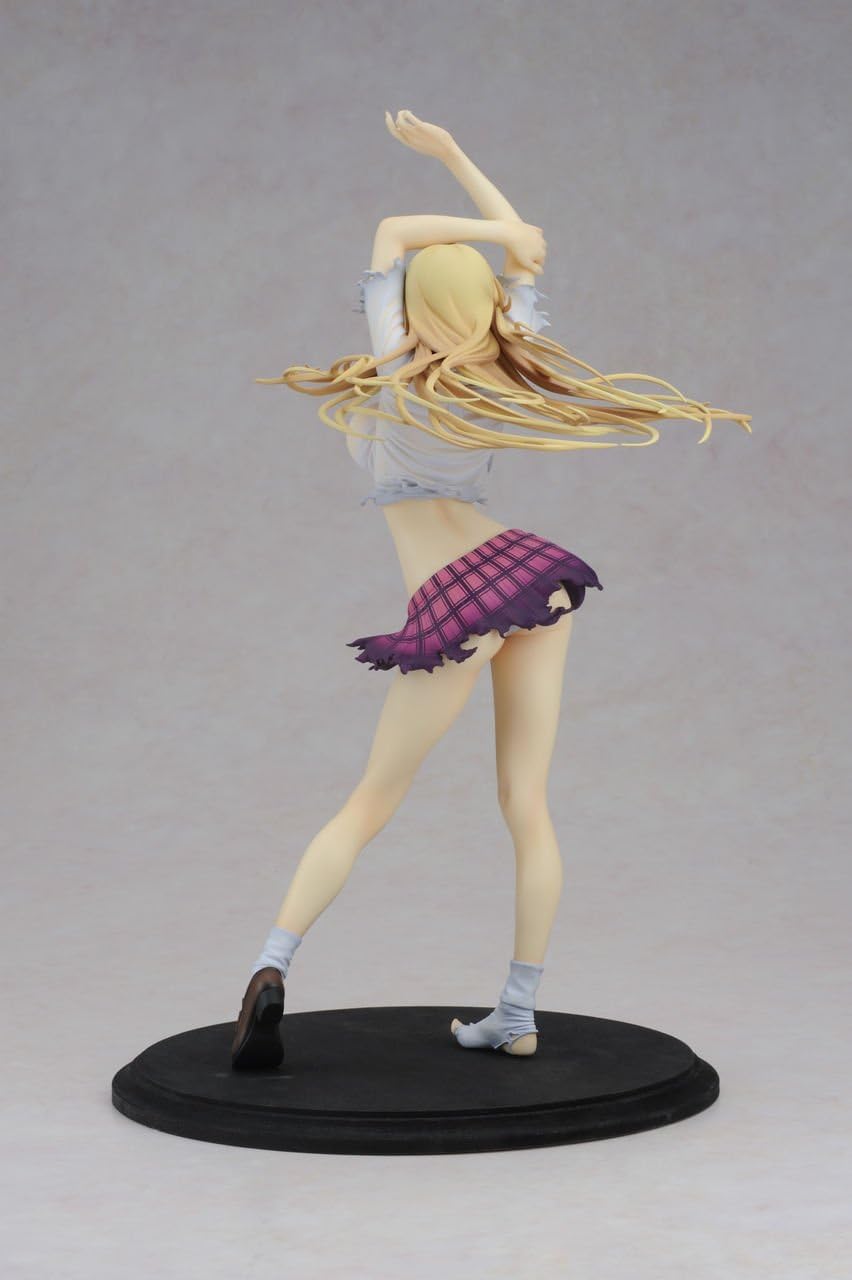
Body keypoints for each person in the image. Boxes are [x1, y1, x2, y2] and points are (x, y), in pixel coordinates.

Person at [231, 111, 752, 1069]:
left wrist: (464, 208)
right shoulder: (502, 364)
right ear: (487, 304)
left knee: (370, 801)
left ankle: (270, 966)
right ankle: (516, 1013)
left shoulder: (396, 369)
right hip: (532, 573)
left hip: (457, 600)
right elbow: (527, 252)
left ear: (411, 306)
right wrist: (469, 174)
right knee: (527, 802)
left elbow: (393, 232)